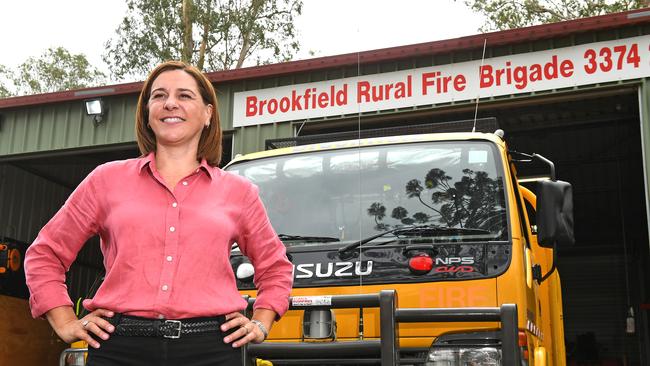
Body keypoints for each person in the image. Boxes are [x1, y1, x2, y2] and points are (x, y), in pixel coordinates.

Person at [24, 60, 293, 365]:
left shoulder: (239, 192)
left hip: (213, 349)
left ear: (207, 114)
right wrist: (63, 320)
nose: (170, 104)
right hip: (120, 347)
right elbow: (45, 254)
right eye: (159, 96)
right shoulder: (105, 181)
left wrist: (261, 321)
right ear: (148, 114)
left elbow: (275, 267)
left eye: (185, 95)